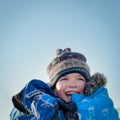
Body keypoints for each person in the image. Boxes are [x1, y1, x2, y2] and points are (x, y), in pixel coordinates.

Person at [10, 48, 119, 120]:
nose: (72, 84)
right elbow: (15, 114)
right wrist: (31, 105)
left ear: (88, 85)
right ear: (54, 88)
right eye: (64, 79)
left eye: (80, 79)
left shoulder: (100, 102)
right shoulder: (44, 102)